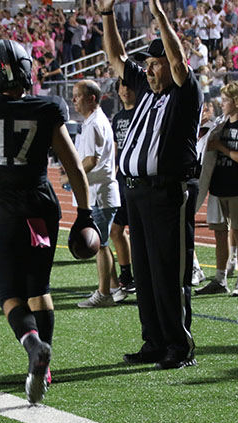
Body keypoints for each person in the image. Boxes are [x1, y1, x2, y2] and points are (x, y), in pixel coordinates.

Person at [0, 40, 92, 404]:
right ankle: (45, 367)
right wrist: (85, 214)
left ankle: (33, 347)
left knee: (8, 293)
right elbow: (74, 166)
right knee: (40, 289)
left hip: (4, 212)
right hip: (41, 207)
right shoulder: (47, 107)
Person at [101, 0, 203, 369]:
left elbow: (178, 64)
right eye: (147, 65)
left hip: (166, 192)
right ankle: (153, 340)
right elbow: (116, 57)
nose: (148, 70)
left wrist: (160, 15)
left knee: (168, 271)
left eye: (153, 63)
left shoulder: (183, 93)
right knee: (144, 273)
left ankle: (179, 345)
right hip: (135, 190)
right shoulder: (147, 92)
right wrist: (106, 14)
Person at [196, 81, 238, 298]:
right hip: (218, 187)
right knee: (219, 235)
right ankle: (220, 279)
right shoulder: (221, 124)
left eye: (226, 100)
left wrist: (221, 147)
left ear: (237, 102)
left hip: (237, 187)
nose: (223, 104)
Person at [66, 79, 122, 308]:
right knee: (103, 242)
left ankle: (104, 293)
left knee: (100, 244)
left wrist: (71, 176)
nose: (73, 100)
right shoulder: (94, 121)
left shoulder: (95, 123)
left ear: (91, 99)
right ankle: (114, 286)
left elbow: (91, 160)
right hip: (101, 191)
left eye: (77, 96)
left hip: (100, 193)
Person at [110, 78, 136, 296]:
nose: (125, 90)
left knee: (138, 231)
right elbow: (115, 149)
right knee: (116, 229)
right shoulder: (118, 118)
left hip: (138, 181)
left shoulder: (142, 114)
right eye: (122, 86)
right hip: (121, 181)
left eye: (129, 86)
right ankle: (126, 274)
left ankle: (142, 274)